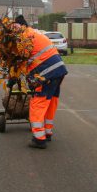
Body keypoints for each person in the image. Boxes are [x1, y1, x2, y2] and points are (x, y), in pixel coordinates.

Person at [14, 15, 67, 149]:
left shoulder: (25, 36)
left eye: (15, 27)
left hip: (46, 73)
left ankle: (39, 139)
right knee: (50, 101)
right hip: (58, 69)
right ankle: (47, 132)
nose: (14, 30)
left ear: (21, 25)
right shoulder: (35, 32)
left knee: (38, 102)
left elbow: (21, 57)